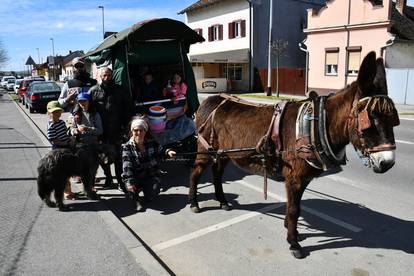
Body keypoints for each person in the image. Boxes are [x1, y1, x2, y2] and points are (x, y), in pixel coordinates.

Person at [88, 67, 133, 190]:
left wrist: (127, 127)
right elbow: (85, 106)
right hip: (101, 132)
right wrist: (76, 113)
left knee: (119, 157)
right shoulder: (93, 91)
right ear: (100, 76)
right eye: (104, 75)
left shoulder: (120, 90)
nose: (106, 77)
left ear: (112, 75)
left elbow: (128, 108)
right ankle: (108, 178)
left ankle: (120, 181)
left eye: (108, 75)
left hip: (117, 130)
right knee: (103, 157)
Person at [121, 117, 175, 211]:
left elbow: (161, 149)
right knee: (129, 185)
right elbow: (127, 166)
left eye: (141, 130)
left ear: (145, 131)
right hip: (135, 176)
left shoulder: (151, 142)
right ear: (132, 131)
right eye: (136, 130)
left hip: (150, 174)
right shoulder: (127, 147)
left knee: (154, 190)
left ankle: (147, 194)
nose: (138, 133)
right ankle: (136, 199)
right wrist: (129, 182)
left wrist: (168, 152)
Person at [46, 101, 75, 199]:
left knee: (68, 172)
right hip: (58, 151)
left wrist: (70, 139)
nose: (57, 113)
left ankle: (68, 190)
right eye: (54, 112)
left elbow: (65, 134)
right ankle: (67, 192)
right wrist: (66, 143)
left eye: (59, 111)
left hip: (66, 148)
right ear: (49, 113)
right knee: (63, 173)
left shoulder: (62, 122)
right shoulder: (51, 125)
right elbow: (54, 141)